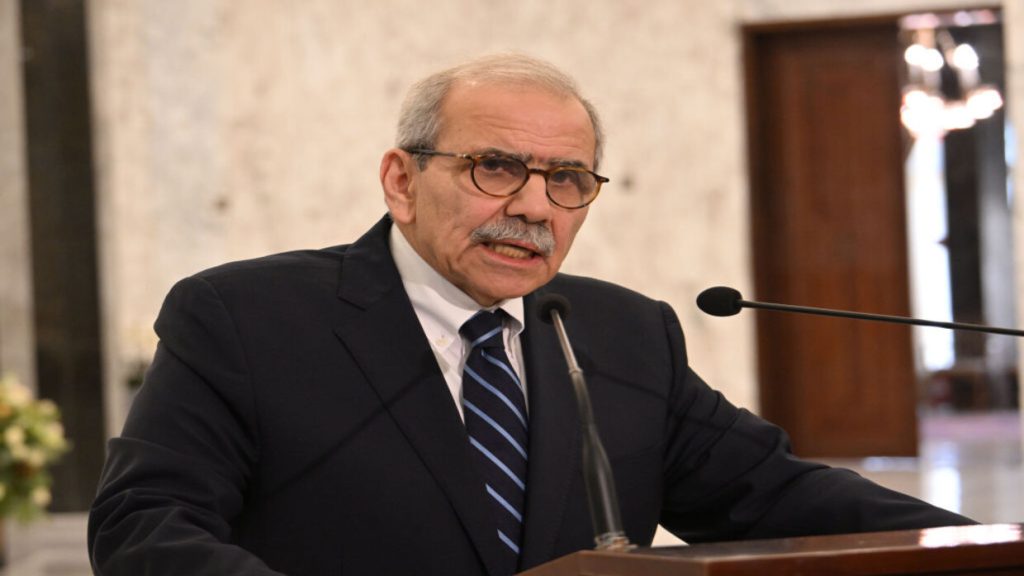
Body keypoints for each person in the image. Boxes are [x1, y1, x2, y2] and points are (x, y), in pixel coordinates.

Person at [88, 53, 972, 576]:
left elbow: (773, 495)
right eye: (496, 167)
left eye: (568, 180)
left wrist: (983, 548)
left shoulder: (623, 335)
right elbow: (146, 526)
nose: (535, 207)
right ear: (401, 180)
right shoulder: (245, 318)